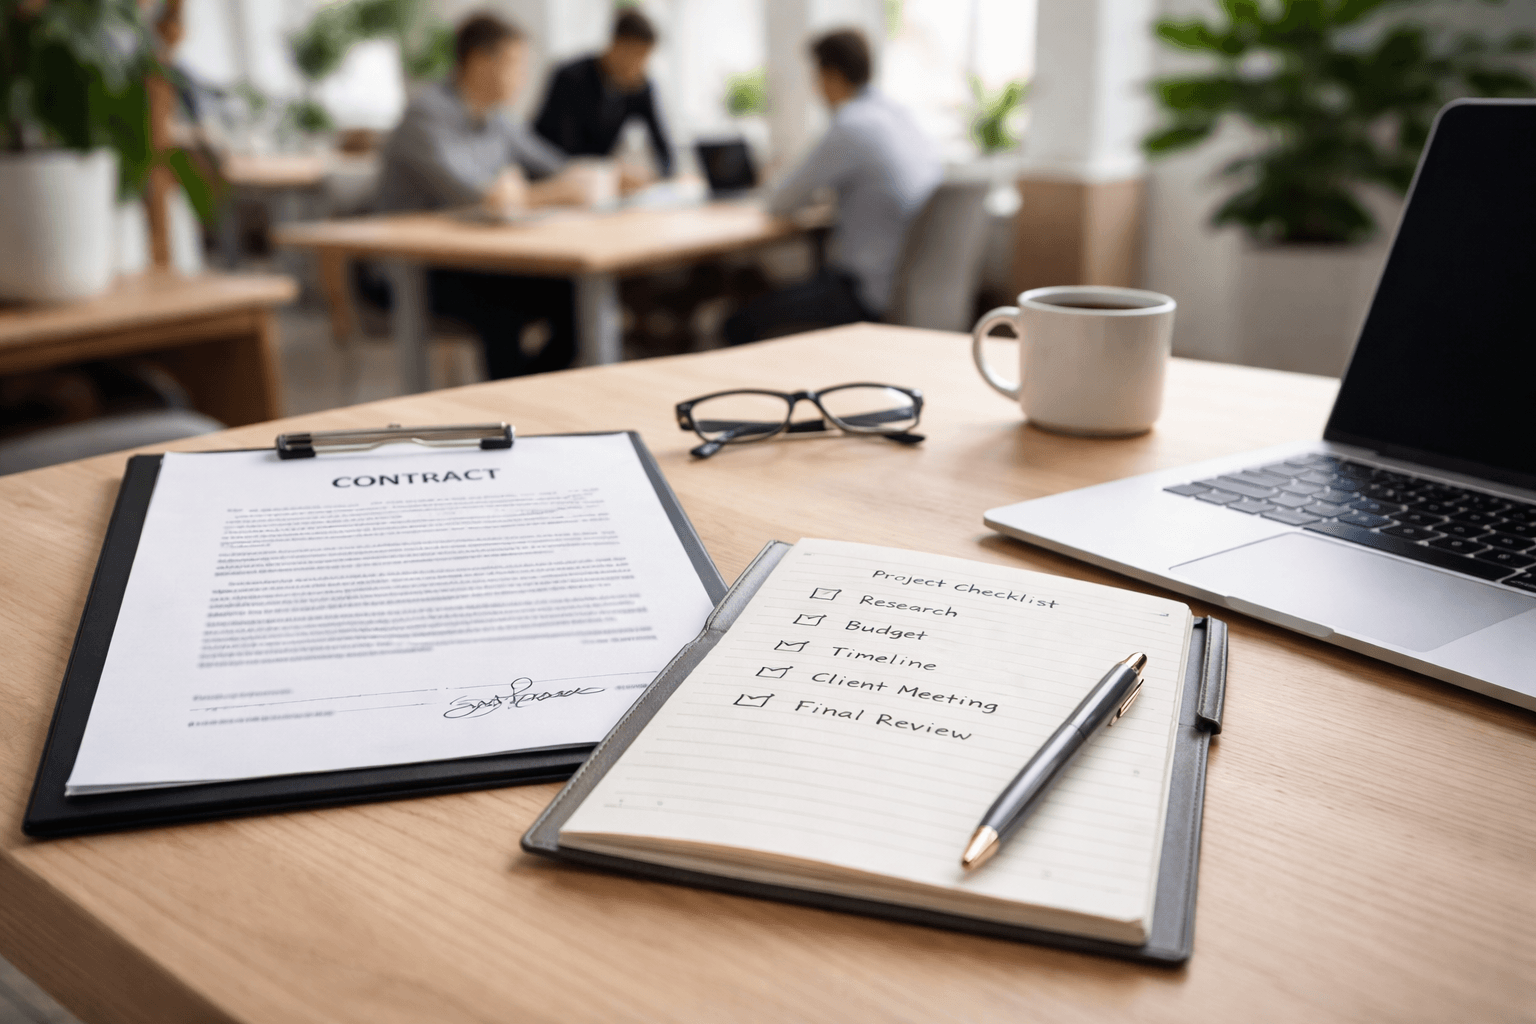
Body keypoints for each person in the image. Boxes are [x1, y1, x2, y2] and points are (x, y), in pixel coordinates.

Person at [375, 13, 589, 378]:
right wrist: (547, 194)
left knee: (573, 297)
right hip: (414, 273)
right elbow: (472, 197)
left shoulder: (497, 118)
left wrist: (602, 173)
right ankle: (510, 414)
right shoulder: (425, 116)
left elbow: (557, 167)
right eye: (514, 64)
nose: (523, 77)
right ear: (477, 61)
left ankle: (526, 397)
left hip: (480, 263)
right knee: (502, 310)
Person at [723, 29, 942, 347]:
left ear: (831, 75)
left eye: (816, 76)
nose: (815, 87)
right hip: (906, 285)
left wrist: (774, 180)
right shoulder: (899, 116)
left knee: (737, 322)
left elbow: (780, 201)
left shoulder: (851, 125)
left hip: (864, 294)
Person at [533, 9, 674, 181]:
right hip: (549, 174)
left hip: (594, 181)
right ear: (616, 45)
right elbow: (564, 147)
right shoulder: (570, 77)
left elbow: (663, 146)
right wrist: (612, 173)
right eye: (637, 56)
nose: (641, 66)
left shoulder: (641, 86)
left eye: (646, 58)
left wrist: (665, 175)